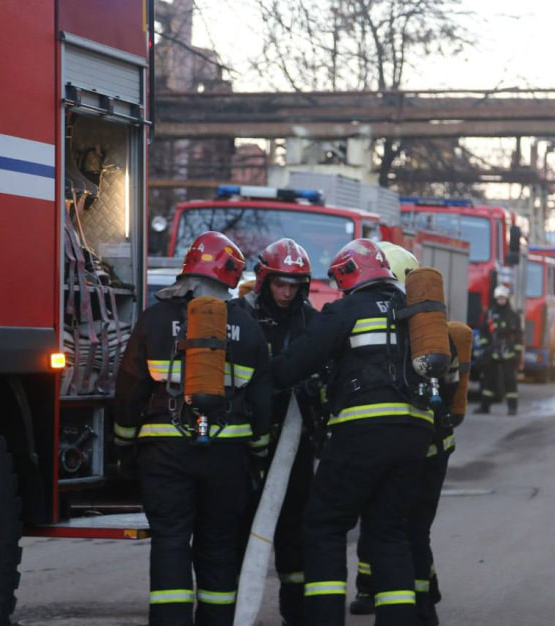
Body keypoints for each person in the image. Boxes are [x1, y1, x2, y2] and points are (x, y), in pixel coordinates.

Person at [114, 231, 272, 626]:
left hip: (164, 452)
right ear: (229, 275)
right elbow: (262, 398)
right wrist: (259, 450)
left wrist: (124, 441)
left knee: (170, 539)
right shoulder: (248, 327)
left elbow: (130, 384)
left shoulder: (153, 320)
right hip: (228, 453)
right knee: (219, 544)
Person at [272, 238, 434, 626]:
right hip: (415, 435)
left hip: (362, 433)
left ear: (349, 274)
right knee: (388, 532)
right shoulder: (416, 311)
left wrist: (263, 376)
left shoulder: (346, 309)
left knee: (324, 525)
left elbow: (298, 362)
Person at [349, 242, 463, 626]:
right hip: (434, 445)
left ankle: (411, 606)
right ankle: (420, 601)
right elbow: (450, 384)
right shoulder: (430, 328)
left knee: (393, 525)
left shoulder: (377, 325)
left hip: (407, 446)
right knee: (413, 529)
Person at [232, 238, 319, 626]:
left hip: (293, 439)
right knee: (237, 523)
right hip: (243, 437)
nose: (287, 293)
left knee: (293, 528)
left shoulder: (311, 321)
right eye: (280, 284)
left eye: (294, 286)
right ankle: (228, 608)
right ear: (264, 280)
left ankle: (296, 613)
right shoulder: (239, 315)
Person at [477, 285, 523, 415]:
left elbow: (519, 335)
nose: (501, 300)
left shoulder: (513, 315)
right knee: (488, 381)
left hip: (508, 353)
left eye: (503, 298)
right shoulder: (490, 313)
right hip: (493, 353)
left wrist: (517, 352)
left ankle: (512, 408)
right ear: (496, 299)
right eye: (499, 298)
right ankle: (485, 407)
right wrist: (485, 347)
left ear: (507, 299)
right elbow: (483, 332)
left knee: (510, 381)